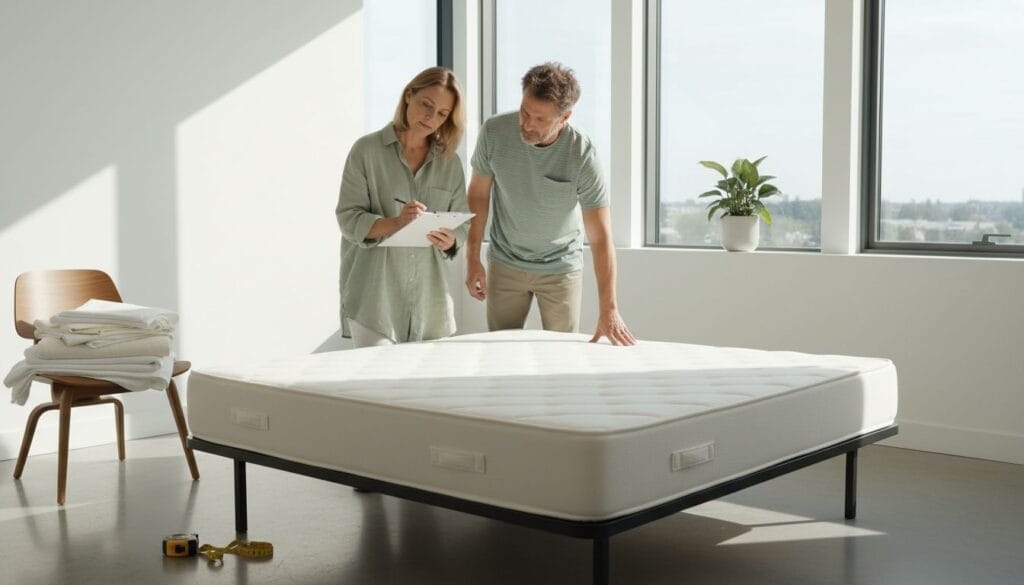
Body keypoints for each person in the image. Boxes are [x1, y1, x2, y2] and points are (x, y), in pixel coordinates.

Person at [464, 62, 636, 346]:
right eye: (524, 112)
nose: (528, 124)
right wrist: (472, 259)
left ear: (564, 117)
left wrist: (609, 309)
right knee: (499, 354)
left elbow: (600, 236)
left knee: (561, 356)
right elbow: (478, 195)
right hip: (505, 261)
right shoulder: (494, 132)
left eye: (540, 119)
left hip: (560, 268)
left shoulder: (582, 153)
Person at [336, 66, 468, 348]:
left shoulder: (450, 163)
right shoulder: (366, 151)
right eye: (426, 105)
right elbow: (348, 218)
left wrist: (451, 240)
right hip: (374, 300)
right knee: (374, 385)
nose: (431, 118)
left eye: (442, 114)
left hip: (430, 304)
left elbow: (462, 227)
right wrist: (397, 222)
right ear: (409, 95)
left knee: (426, 388)